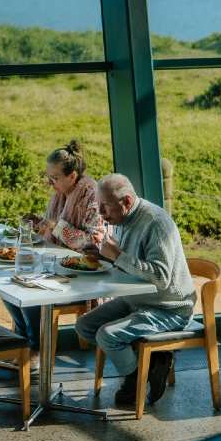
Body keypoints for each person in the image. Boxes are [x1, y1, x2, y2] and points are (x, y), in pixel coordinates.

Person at [75, 173, 197, 407]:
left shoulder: (156, 223)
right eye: (97, 206)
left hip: (168, 308)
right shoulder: (120, 219)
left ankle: (135, 378)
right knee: (84, 326)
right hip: (135, 300)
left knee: (107, 335)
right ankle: (153, 362)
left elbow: (161, 278)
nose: (100, 213)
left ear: (127, 202)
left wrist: (118, 256)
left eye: (105, 207)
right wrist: (103, 256)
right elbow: (126, 262)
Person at [4, 140, 106, 370]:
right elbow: (52, 227)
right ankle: (24, 342)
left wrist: (54, 226)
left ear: (72, 176)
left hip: (84, 274)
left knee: (29, 291)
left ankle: (35, 348)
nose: (50, 183)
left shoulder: (93, 195)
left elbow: (94, 243)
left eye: (55, 178)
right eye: (48, 177)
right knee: (10, 284)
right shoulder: (61, 194)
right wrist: (39, 224)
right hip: (56, 265)